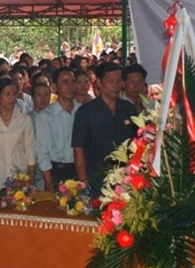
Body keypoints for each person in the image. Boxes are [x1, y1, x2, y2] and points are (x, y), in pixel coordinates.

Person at [72, 62, 137, 196]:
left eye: (118, 81)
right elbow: (78, 148)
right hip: (96, 180)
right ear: (99, 83)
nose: (115, 85)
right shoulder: (86, 112)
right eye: (111, 81)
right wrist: (83, 181)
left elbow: (136, 143)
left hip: (126, 179)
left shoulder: (129, 109)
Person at [0, 78, 36, 186]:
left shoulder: (24, 120)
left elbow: (30, 153)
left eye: (14, 94)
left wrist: (31, 180)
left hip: (20, 179)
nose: (12, 98)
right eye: (7, 94)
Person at [36, 67, 80, 191]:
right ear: (54, 87)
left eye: (73, 82)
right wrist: (49, 182)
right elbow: (42, 152)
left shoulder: (82, 111)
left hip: (80, 171)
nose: (71, 86)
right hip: (57, 172)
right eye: (65, 82)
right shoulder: (46, 116)